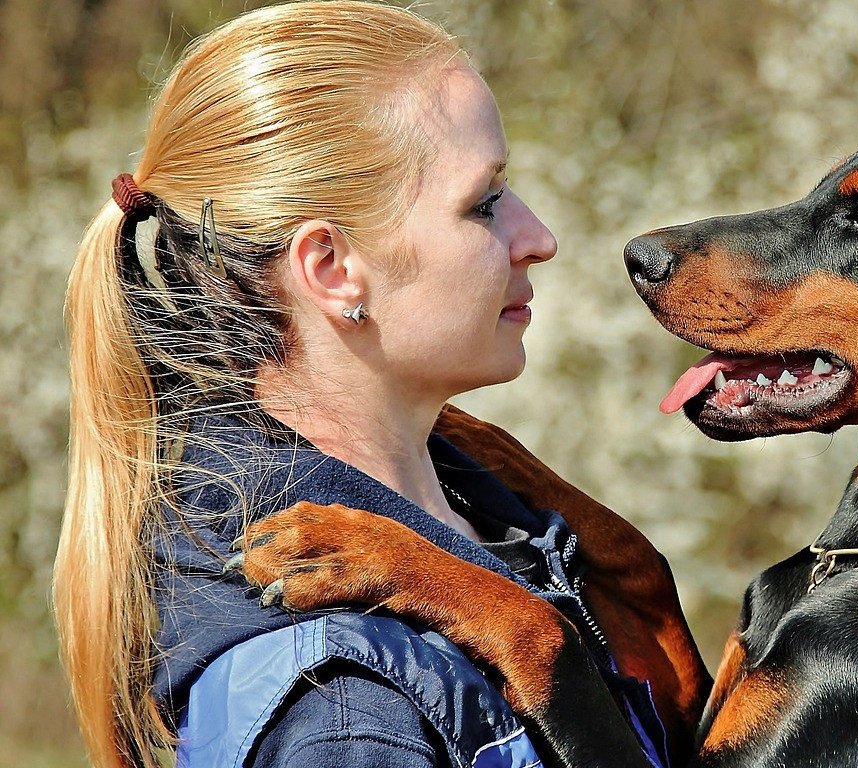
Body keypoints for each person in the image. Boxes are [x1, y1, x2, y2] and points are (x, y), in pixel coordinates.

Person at [53, 3, 708, 767]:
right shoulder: (341, 707)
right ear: (332, 269)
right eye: (485, 203)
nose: (540, 239)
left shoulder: (492, 503)